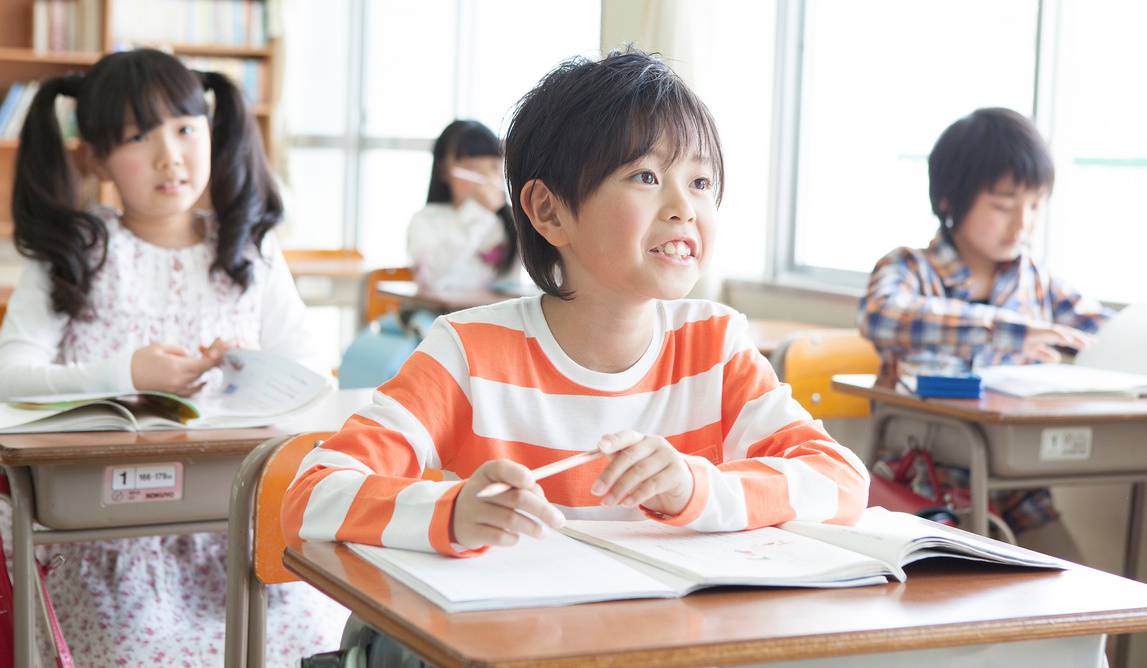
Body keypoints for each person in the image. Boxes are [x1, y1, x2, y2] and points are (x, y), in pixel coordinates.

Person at [284, 47, 869, 563]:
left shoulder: (713, 344)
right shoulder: (469, 353)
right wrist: (452, 510)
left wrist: (697, 489)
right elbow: (312, 492)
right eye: (644, 176)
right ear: (548, 212)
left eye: (700, 182)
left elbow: (841, 479)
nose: (684, 207)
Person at [0, 49, 347, 665]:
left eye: (186, 128)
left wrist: (252, 367)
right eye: (138, 136)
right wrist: (125, 375)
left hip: (238, 528)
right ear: (95, 156)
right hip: (105, 539)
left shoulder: (249, 251)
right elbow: (8, 377)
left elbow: (316, 378)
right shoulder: (74, 251)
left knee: (321, 642)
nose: (171, 155)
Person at [857, 107, 1110, 556]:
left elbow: (1105, 334)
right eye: (1003, 205)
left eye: (1034, 205)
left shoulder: (1034, 279)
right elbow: (881, 315)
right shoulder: (909, 268)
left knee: (1073, 581)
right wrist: (1003, 329)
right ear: (950, 199)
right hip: (923, 486)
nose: (1022, 223)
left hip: (1013, 489)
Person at [406, 119, 520, 292]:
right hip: (438, 315)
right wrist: (478, 211)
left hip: (492, 317)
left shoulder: (511, 223)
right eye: (473, 166)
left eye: (494, 166)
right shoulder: (426, 220)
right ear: (444, 170)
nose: (487, 176)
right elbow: (430, 277)